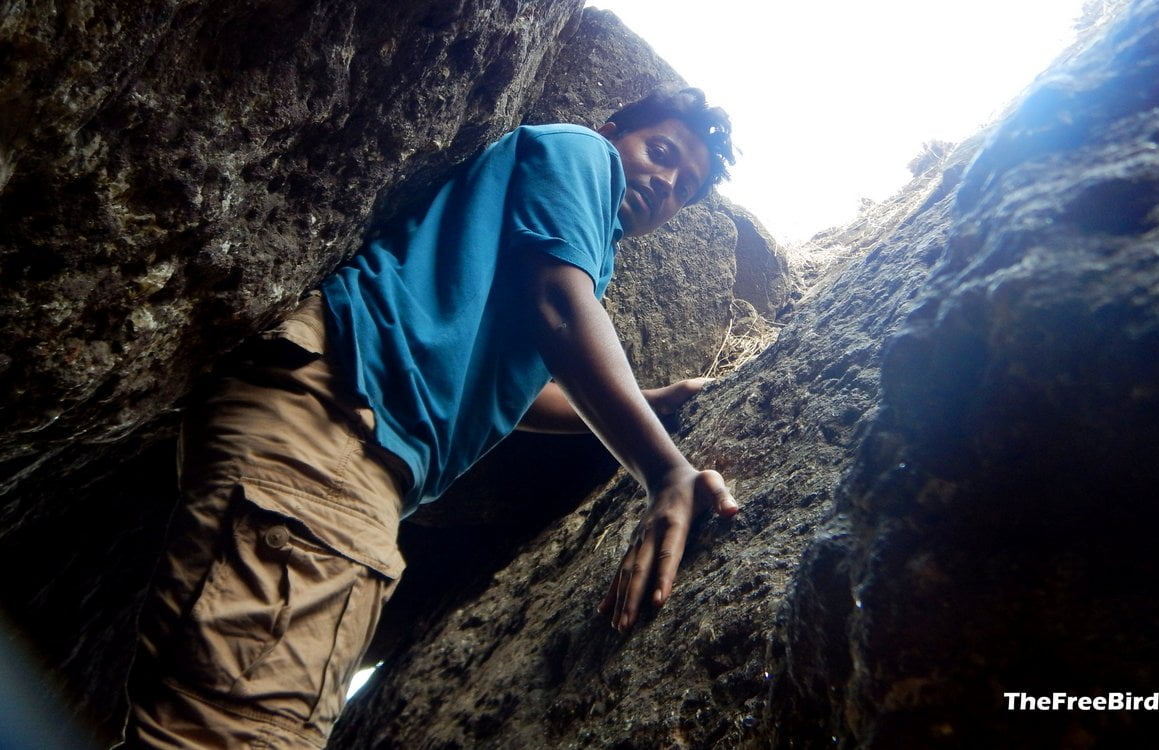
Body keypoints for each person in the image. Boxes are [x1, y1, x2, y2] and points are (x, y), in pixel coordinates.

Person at [119, 88, 738, 749]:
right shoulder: (581, 153)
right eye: (661, 152)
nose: (665, 181)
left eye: (684, 186)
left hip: (341, 442)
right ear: (613, 131)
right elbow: (560, 308)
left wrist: (647, 400)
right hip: (339, 425)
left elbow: (514, 392)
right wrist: (664, 471)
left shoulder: (562, 235)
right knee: (237, 733)